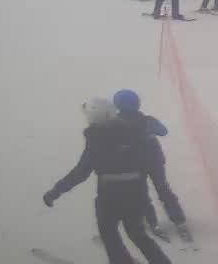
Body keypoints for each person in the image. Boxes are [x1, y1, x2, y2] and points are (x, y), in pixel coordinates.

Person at [42, 98, 172, 264]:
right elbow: (148, 160)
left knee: (109, 235)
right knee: (137, 234)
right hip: (136, 194)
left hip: (109, 198)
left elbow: (81, 172)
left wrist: (55, 191)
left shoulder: (96, 139)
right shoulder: (133, 132)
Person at [112, 89, 188, 240]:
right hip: (154, 161)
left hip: (133, 165)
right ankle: (178, 220)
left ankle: (153, 222)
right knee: (163, 189)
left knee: (142, 193)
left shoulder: (116, 123)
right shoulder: (147, 120)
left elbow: (112, 144)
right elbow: (163, 131)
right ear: (137, 103)